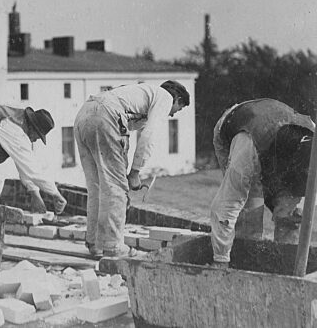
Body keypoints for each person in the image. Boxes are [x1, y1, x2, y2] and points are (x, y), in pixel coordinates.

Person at [74, 81, 190, 258]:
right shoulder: (165, 97)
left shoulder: (139, 92)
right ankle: (113, 246)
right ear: (177, 99)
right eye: (177, 109)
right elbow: (149, 135)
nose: (172, 114)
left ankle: (94, 243)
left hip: (84, 114)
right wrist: (135, 173)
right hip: (107, 115)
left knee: (96, 187)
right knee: (116, 188)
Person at [210, 98, 314, 267]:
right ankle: (244, 266)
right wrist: (220, 260)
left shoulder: (311, 141)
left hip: (281, 146)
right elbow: (224, 208)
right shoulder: (247, 151)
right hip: (243, 128)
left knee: (290, 219)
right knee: (249, 214)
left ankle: (286, 268)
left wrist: (294, 209)